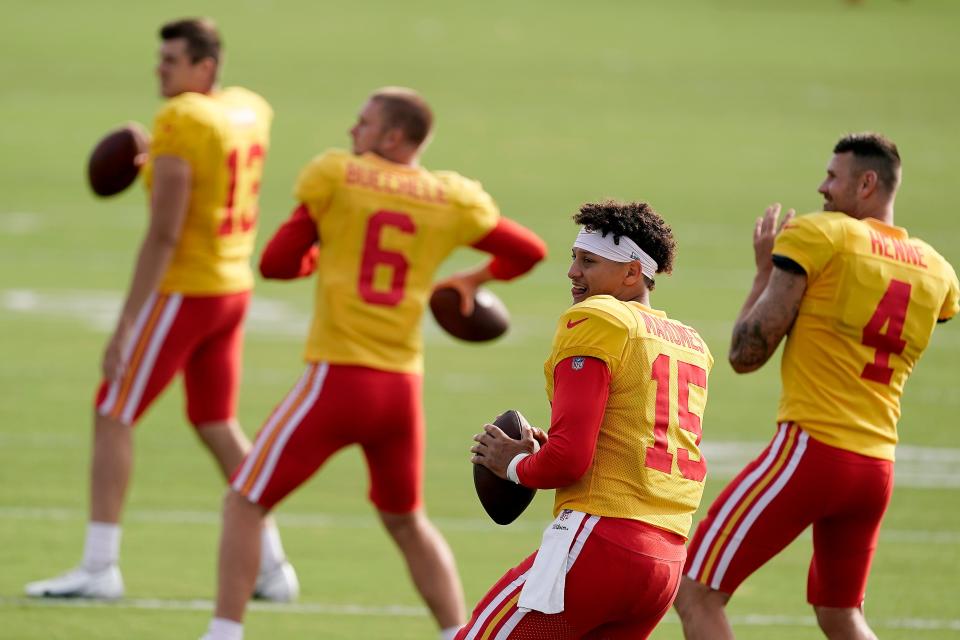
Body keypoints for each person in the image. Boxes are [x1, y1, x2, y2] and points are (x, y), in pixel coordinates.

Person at [199, 86, 547, 640]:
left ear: (391, 136)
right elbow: (529, 250)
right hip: (400, 390)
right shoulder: (447, 197)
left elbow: (276, 262)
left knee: (244, 500)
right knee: (407, 520)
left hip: (337, 380)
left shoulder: (338, 177)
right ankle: (457, 632)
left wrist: (324, 249)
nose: (351, 132)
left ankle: (223, 632)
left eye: (362, 123)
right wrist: (470, 280)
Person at [25, 18, 298, 602]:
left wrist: (126, 322)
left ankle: (100, 565)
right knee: (216, 422)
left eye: (172, 59)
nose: (160, 68)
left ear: (205, 66)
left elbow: (164, 235)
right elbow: (206, 168)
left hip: (187, 289)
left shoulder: (181, 121)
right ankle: (273, 567)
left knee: (112, 409)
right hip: (232, 284)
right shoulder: (249, 108)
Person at [675, 133, 959, 640]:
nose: (822, 187)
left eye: (833, 176)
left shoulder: (820, 235)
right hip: (876, 466)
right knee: (840, 613)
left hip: (812, 452)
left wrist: (765, 272)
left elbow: (747, 353)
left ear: (866, 183)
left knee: (695, 589)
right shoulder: (938, 271)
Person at [459, 200, 714, 639]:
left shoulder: (599, 316)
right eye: (574, 258)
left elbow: (569, 462)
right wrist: (549, 446)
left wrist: (511, 464)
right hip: (666, 559)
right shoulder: (690, 342)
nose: (573, 272)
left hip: (600, 542)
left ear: (632, 273)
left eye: (589, 261)